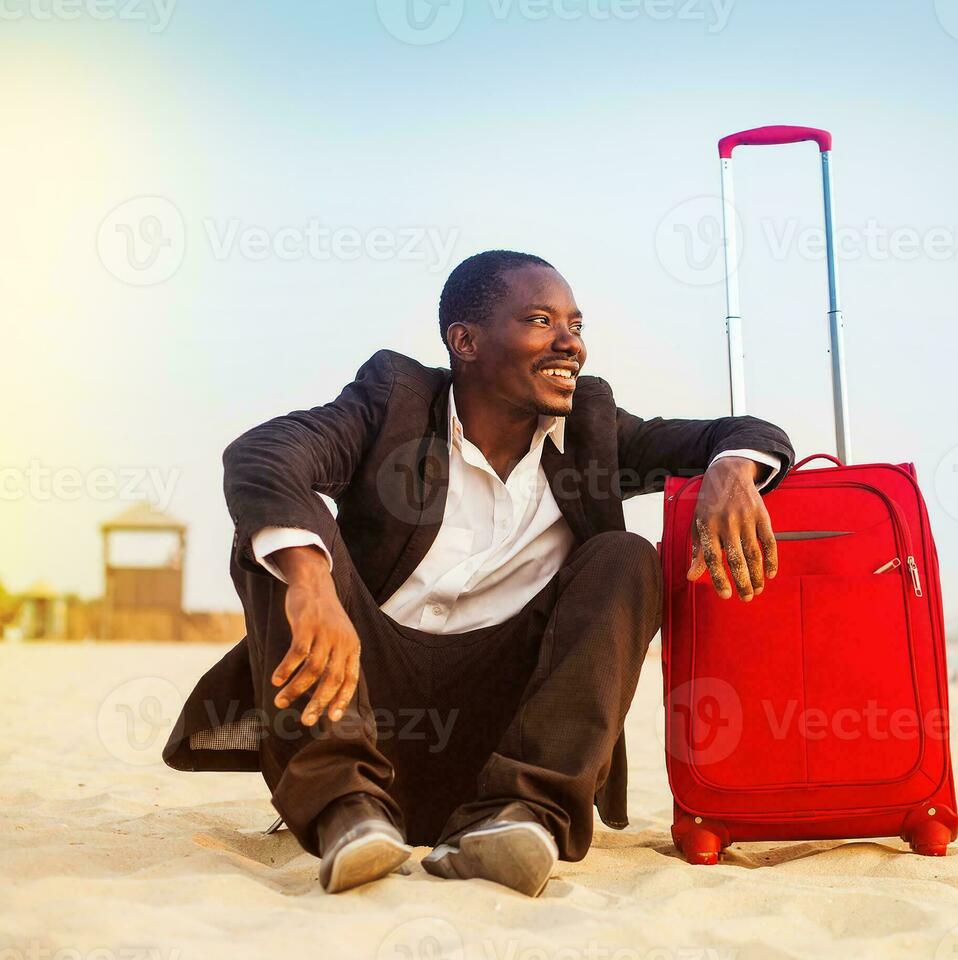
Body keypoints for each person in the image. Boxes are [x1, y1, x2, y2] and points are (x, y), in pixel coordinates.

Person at [163, 250, 794, 896]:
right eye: (542, 320)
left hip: (503, 753)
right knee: (279, 537)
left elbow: (741, 431)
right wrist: (311, 583)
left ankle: (520, 819)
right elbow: (264, 454)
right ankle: (346, 814)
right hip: (362, 720)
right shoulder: (394, 401)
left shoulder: (591, 429)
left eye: (576, 325)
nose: (570, 343)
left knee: (624, 558)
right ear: (464, 341)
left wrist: (728, 469)